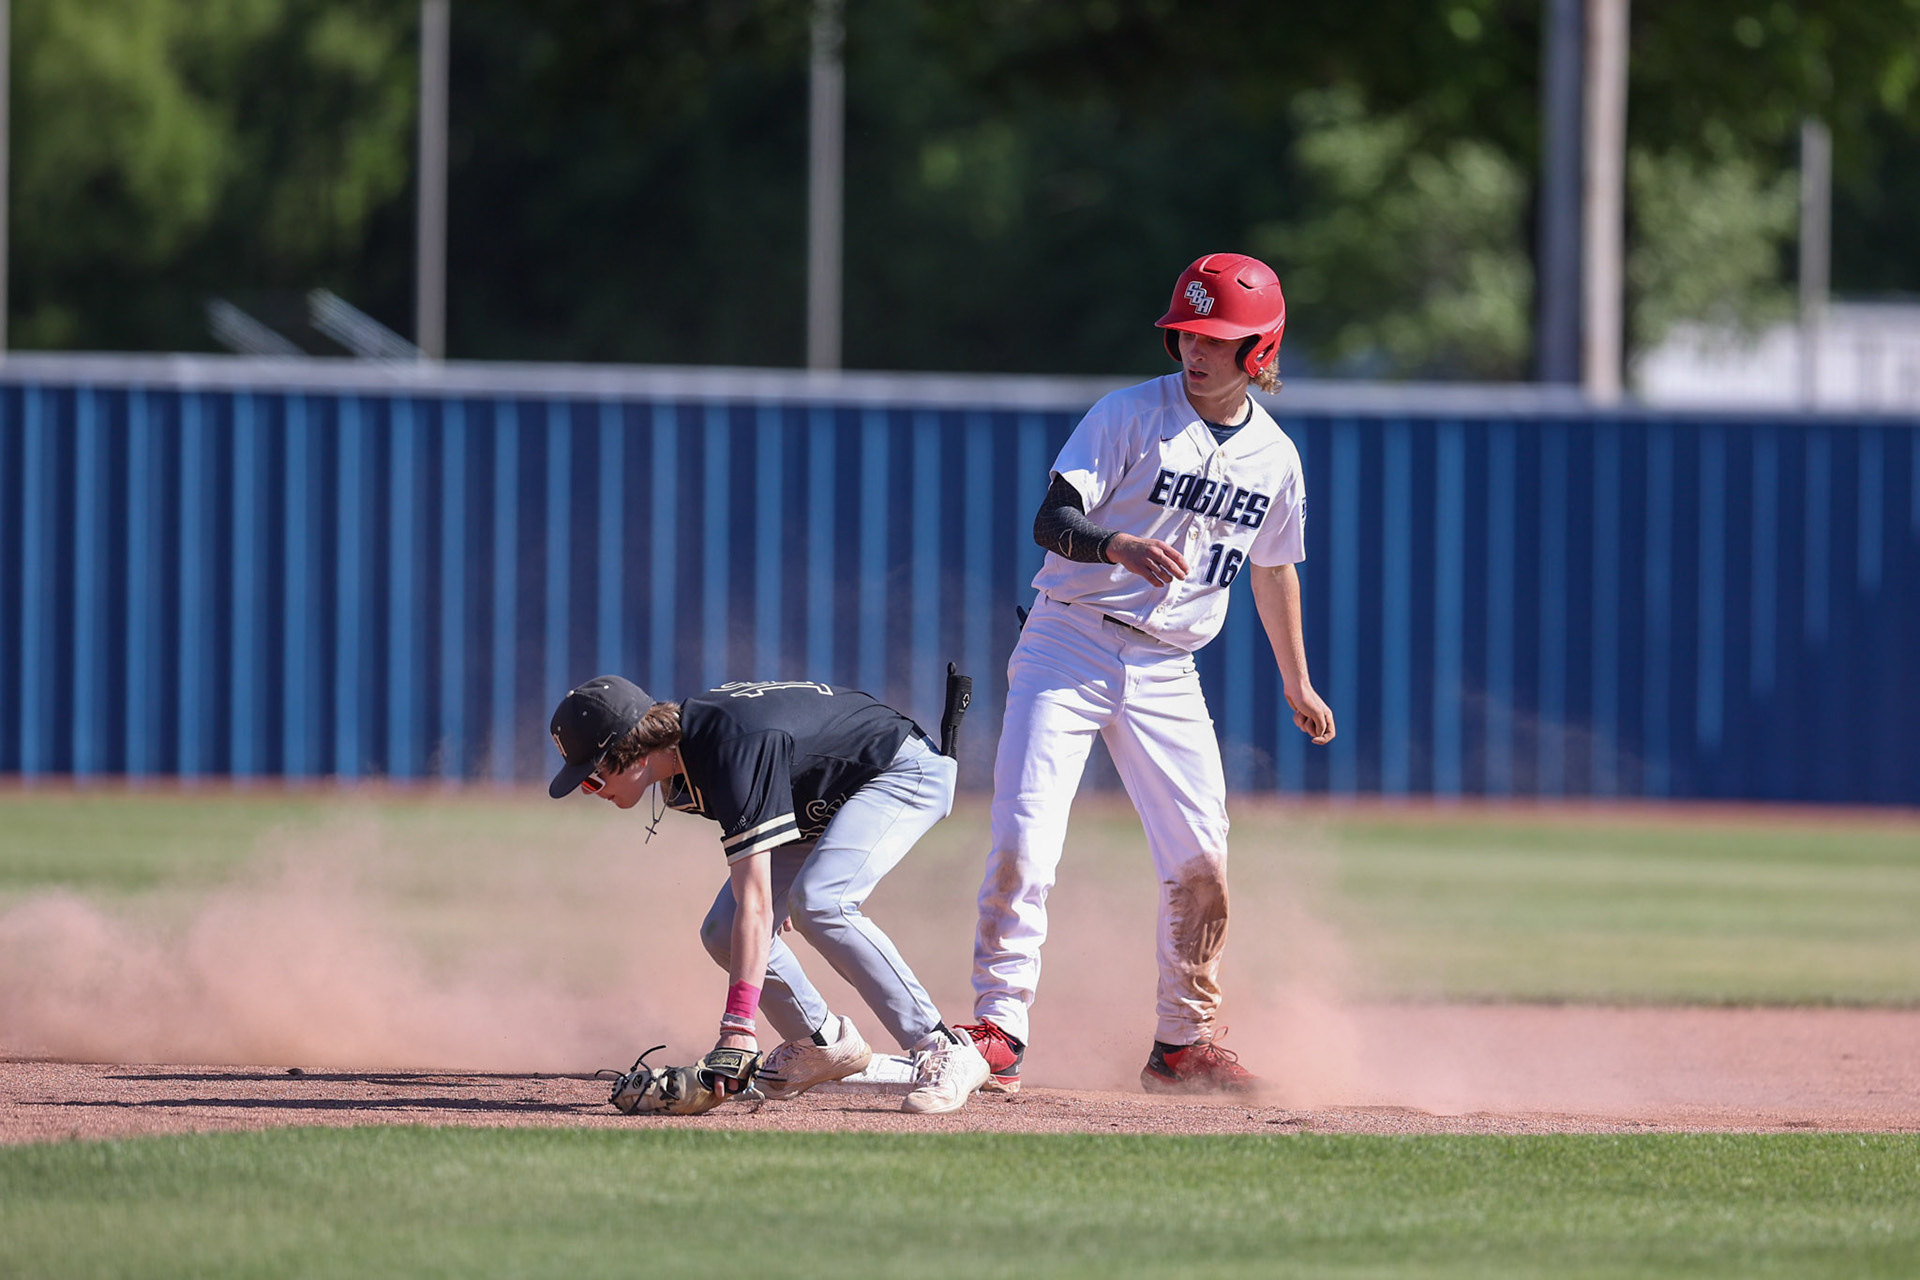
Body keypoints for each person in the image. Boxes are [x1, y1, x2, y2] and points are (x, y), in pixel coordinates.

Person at [956, 252, 1336, 1095]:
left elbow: (1275, 570)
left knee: (1202, 859)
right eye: (1187, 333)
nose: (1196, 350)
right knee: (1025, 838)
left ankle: (1182, 1041)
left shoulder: (1275, 459)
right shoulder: (1129, 414)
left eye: (1217, 338)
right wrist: (1115, 545)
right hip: (1070, 642)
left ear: (1260, 350)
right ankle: (1000, 1024)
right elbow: (1051, 519)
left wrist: (1297, 681)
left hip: (1170, 669)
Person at [548, 675, 991, 1115]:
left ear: (626, 756)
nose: (593, 792)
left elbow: (757, 901)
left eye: (590, 780)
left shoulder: (727, 748)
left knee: (820, 903)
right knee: (724, 930)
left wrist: (737, 1028)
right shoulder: (684, 771)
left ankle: (942, 1046)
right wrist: (767, 906)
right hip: (826, 801)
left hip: (900, 770)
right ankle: (821, 1043)